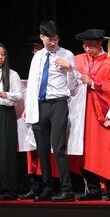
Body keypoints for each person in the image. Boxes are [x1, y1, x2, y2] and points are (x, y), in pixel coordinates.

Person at [23, 20, 78, 202]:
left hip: (59, 104)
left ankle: (67, 190)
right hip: (40, 105)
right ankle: (47, 189)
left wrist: (69, 68)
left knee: (59, 146)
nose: (53, 43)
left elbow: (73, 87)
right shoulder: (37, 57)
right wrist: (27, 107)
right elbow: (32, 84)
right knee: (42, 149)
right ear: (42, 37)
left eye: (55, 39)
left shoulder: (67, 54)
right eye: (49, 40)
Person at [74, 28, 110, 201]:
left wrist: (94, 83)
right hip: (83, 115)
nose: (87, 50)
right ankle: (93, 189)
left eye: (91, 46)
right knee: (86, 151)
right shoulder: (78, 60)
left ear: (100, 44)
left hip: (103, 114)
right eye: (85, 46)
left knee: (106, 152)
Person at [18, 35, 44, 200]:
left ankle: (50, 186)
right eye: (34, 49)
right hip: (33, 111)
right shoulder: (34, 65)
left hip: (48, 110)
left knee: (46, 150)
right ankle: (35, 186)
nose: (35, 51)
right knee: (32, 150)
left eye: (38, 48)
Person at [0, 42, 23, 200]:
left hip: (5, 114)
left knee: (6, 152)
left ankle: (8, 189)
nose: (0, 57)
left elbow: (19, 96)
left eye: (2, 54)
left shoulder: (12, 74)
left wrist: (6, 95)